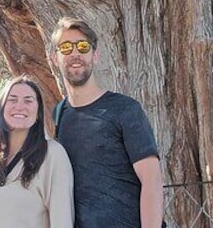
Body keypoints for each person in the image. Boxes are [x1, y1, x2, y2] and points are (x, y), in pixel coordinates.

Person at [50, 17, 165, 227]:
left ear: (95, 55)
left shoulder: (124, 109)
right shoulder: (58, 117)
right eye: (65, 47)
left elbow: (152, 180)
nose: (75, 53)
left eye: (82, 46)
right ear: (55, 58)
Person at [0, 76, 74, 228]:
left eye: (28, 100)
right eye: (12, 100)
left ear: (38, 111)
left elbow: (62, 220)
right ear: (1, 107)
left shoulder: (52, 154)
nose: (20, 107)